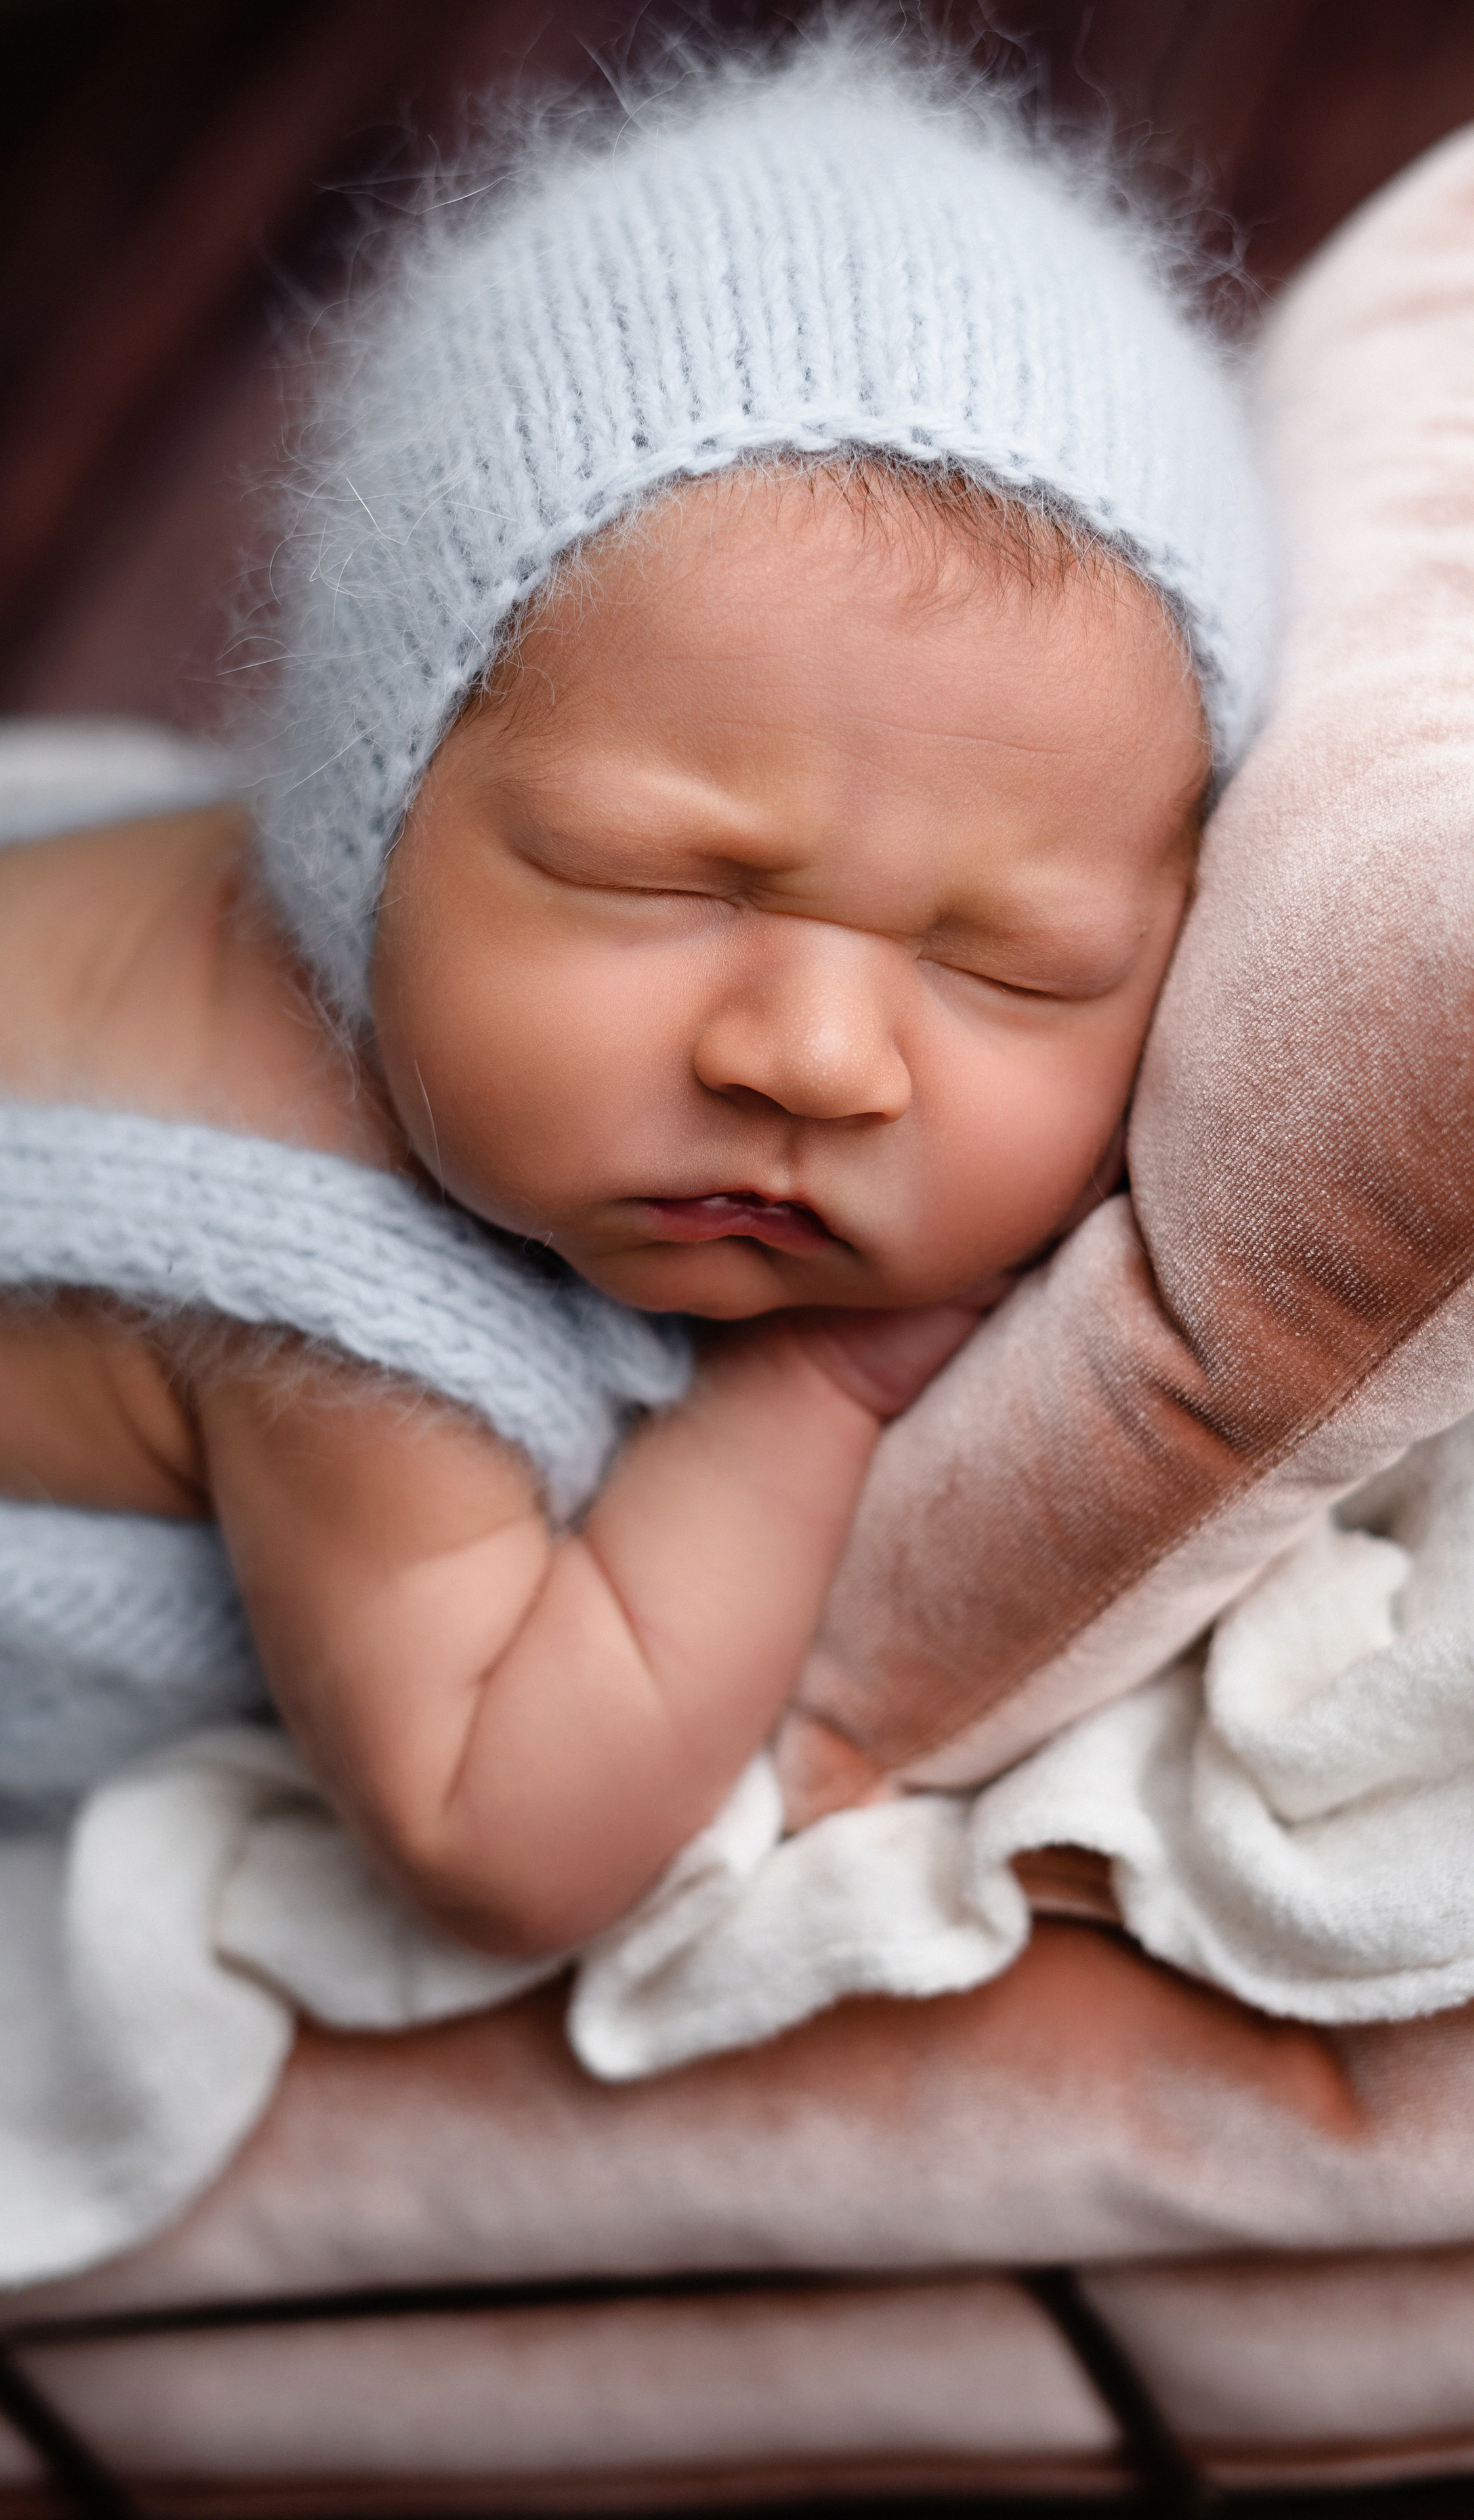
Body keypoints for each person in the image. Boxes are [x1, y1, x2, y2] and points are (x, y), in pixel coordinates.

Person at [0, 32, 1269, 1953]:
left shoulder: (483, 966)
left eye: (1008, 964)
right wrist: (810, 1396)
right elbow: (494, 1832)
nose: (819, 1057)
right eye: (661, 883)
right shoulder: (333, 1326)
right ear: (368, 795)